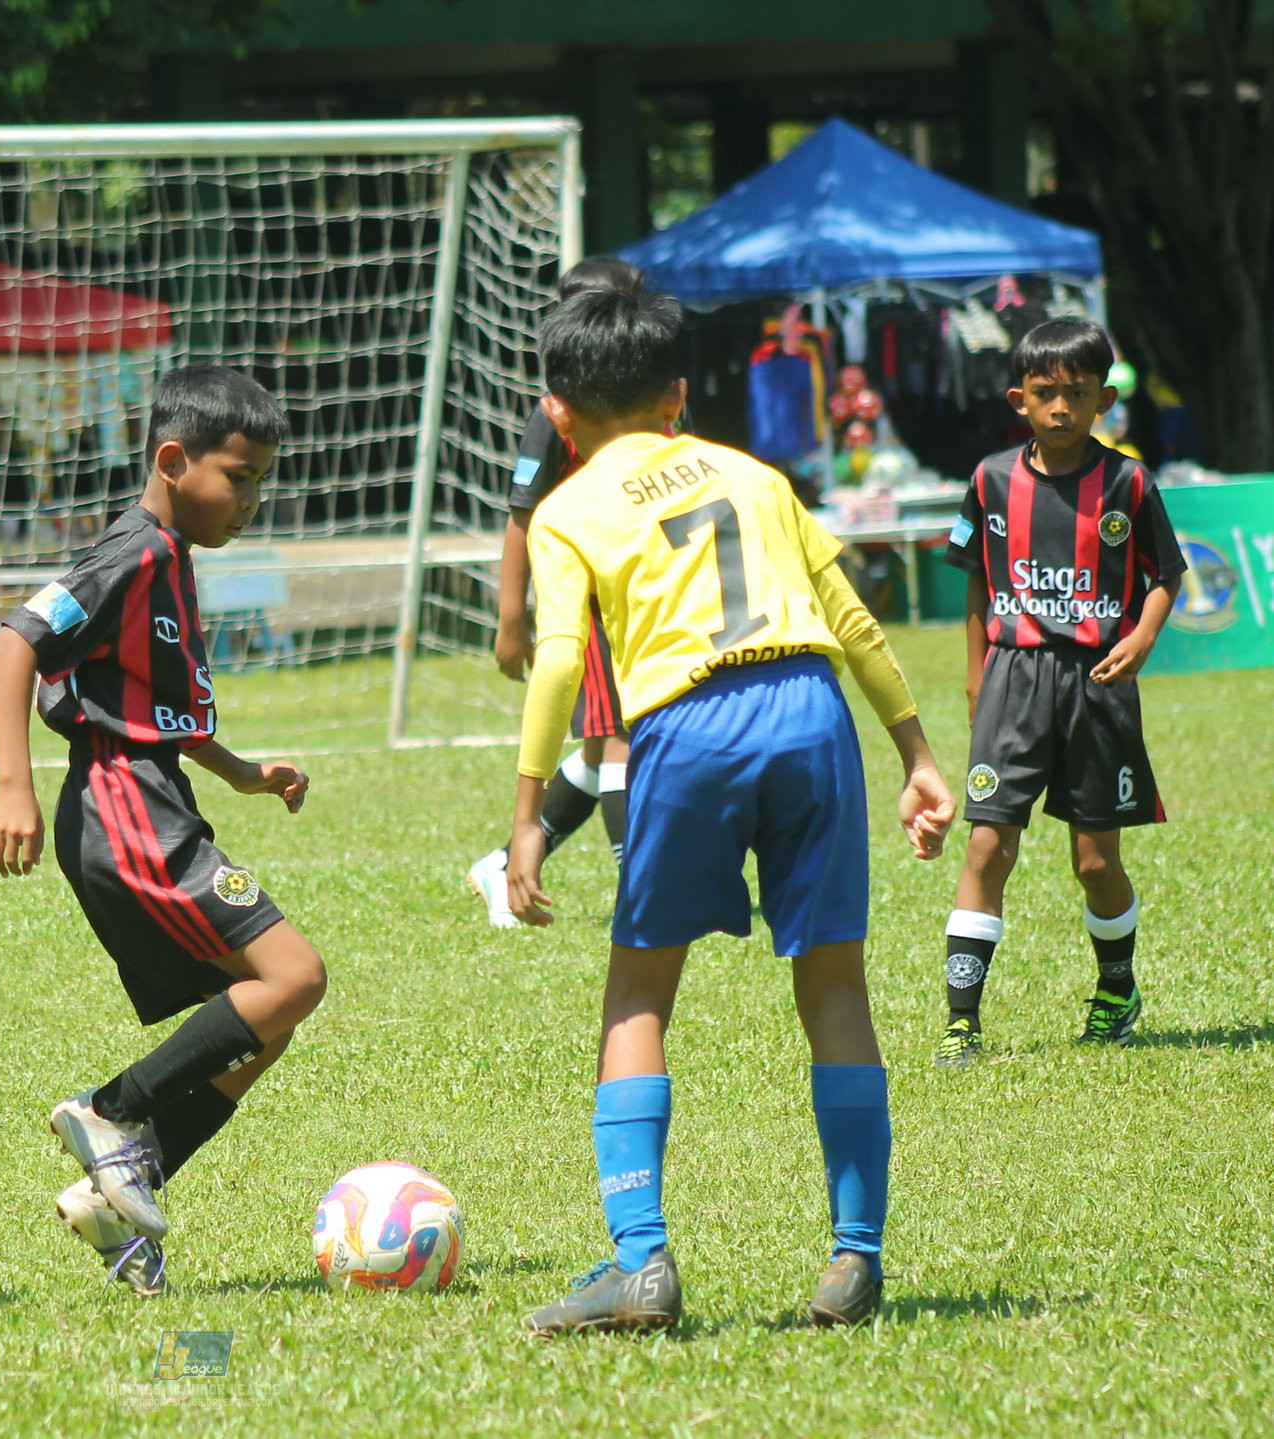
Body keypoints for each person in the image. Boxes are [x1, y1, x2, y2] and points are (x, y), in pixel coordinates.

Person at [506, 282, 956, 1334]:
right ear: (677, 392)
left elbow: (561, 655)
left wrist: (529, 810)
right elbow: (847, 612)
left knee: (637, 991)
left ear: (557, 413)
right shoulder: (753, 473)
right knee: (833, 980)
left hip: (688, 726)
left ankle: (639, 1264)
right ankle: (854, 1258)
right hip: (810, 706)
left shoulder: (567, 508)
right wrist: (917, 752)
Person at [0, 367, 323, 1297]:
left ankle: (121, 1197)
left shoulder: (167, 558)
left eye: (261, 481)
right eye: (240, 476)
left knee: (264, 1022)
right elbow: (15, 639)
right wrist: (12, 781)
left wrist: (242, 771)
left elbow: (153, 704)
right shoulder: (134, 553)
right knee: (295, 977)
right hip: (122, 806)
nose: (252, 500)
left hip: (150, 793)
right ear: (173, 461)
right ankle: (112, 1115)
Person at [932, 319, 1185, 1068]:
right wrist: (977, 672)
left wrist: (1140, 637)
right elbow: (977, 578)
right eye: (1046, 393)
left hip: (1095, 683)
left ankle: (1117, 991)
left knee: (1095, 861)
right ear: (1020, 399)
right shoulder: (989, 479)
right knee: (987, 844)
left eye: (1078, 393)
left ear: (1103, 398)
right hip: (1013, 679)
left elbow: (1167, 574)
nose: (1062, 407)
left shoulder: (1129, 482)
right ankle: (962, 1022)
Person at [468, 256, 645, 928]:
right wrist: (513, 618)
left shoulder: (656, 400)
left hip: (645, 591)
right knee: (620, 738)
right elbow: (523, 515)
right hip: (588, 598)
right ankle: (642, 887)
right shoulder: (554, 414)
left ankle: (502, 862)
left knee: (604, 747)